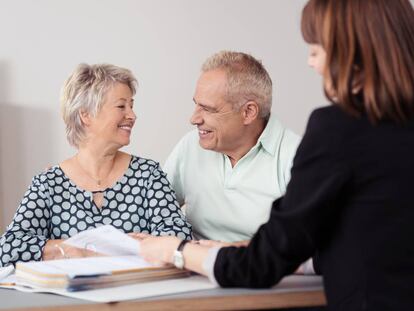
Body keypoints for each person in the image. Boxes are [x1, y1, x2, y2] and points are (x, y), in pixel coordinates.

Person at [139, 0, 414, 309]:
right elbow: (361, 243)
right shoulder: (189, 148)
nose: (313, 64)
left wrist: (178, 251)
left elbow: (261, 265)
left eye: (315, 50)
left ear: (348, 53)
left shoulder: (337, 130)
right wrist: (244, 249)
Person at [0, 64, 191, 267]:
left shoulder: (148, 174)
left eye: (131, 106)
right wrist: (74, 250)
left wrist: (90, 251)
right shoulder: (49, 183)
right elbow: (8, 248)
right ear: (86, 115)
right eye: (121, 106)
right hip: (73, 297)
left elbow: (179, 235)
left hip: (135, 293)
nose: (132, 115)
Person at [164, 51, 301, 243]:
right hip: (192, 268)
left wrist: (215, 253)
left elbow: (305, 245)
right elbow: (153, 212)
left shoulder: (296, 156)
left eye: (208, 109)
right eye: (196, 105)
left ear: (248, 112)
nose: (194, 119)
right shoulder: (191, 145)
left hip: (265, 270)